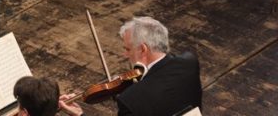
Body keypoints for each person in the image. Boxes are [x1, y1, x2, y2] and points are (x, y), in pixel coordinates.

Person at [59, 17, 202, 116]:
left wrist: (79, 114)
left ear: (143, 49)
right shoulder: (189, 62)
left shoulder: (131, 101)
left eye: (128, 49)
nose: (125, 54)